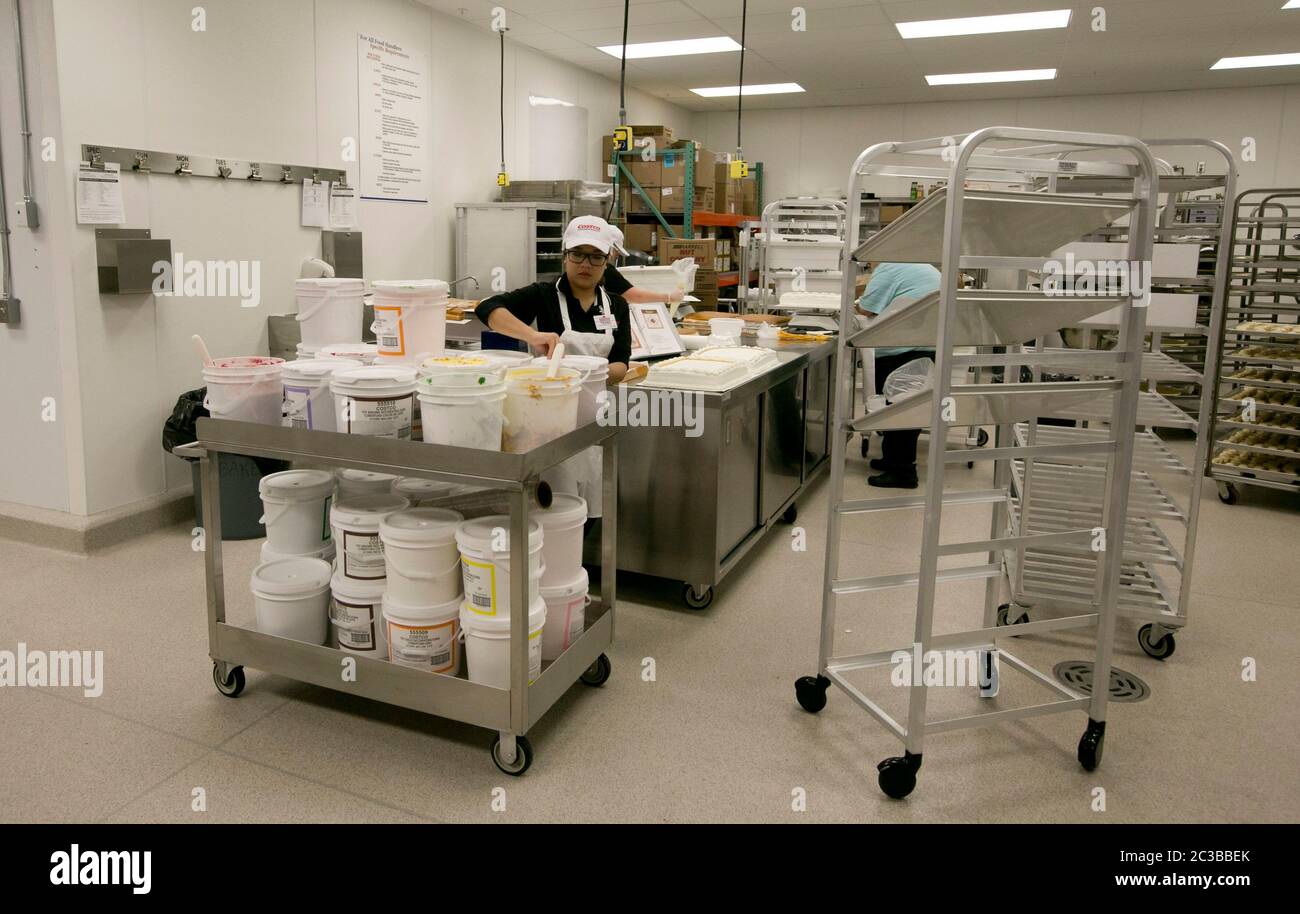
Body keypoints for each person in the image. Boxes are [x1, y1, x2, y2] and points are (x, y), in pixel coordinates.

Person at [474, 215, 634, 522]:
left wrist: (590, 372)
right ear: (565, 255)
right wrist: (533, 336)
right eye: (577, 254)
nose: (585, 264)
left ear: (607, 261)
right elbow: (488, 308)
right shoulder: (544, 295)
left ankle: (579, 559)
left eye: (596, 256)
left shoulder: (616, 306)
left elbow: (622, 363)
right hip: (548, 419)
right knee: (553, 504)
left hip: (594, 418)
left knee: (591, 509)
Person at [855, 261, 941, 489]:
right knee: (903, 406)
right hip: (924, 344)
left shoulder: (889, 268)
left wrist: (857, 304)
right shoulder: (924, 267)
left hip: (902, 346)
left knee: (899, 408)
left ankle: (904, 472)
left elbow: (867, 308)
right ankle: (892, 460)